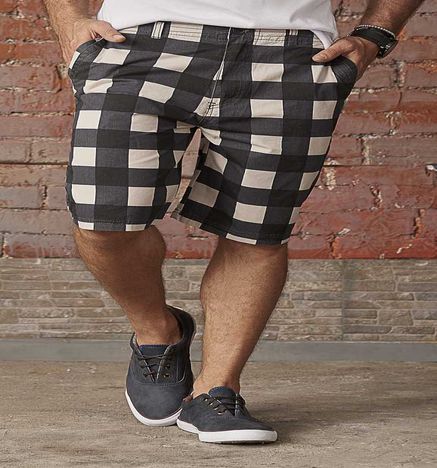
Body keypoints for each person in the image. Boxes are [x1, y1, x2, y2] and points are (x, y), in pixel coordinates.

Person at [43, 0, 423, 444]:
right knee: (102, 220)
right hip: (139, 41)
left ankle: (216, 391)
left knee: (255, 232)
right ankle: (158, 330)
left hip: (291, 52)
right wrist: (69, 21)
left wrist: (376, 34)